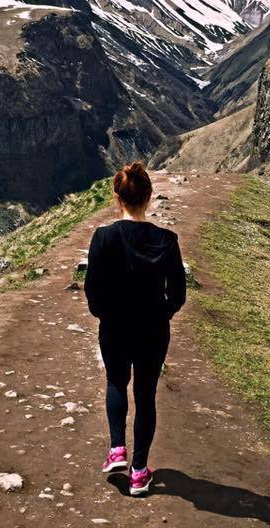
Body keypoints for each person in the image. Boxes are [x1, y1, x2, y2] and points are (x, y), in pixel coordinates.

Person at [84, 162, 187, 496]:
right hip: (153, 331)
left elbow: (93, 289)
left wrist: (104, 313)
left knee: (116, 382)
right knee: (146, 396)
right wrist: (163, 313)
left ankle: (117, 450)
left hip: (114, 326)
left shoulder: (103, 238)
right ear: (149, 196)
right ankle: (140, 472)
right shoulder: (166, 241)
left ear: (118, 197)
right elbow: (179, 294)